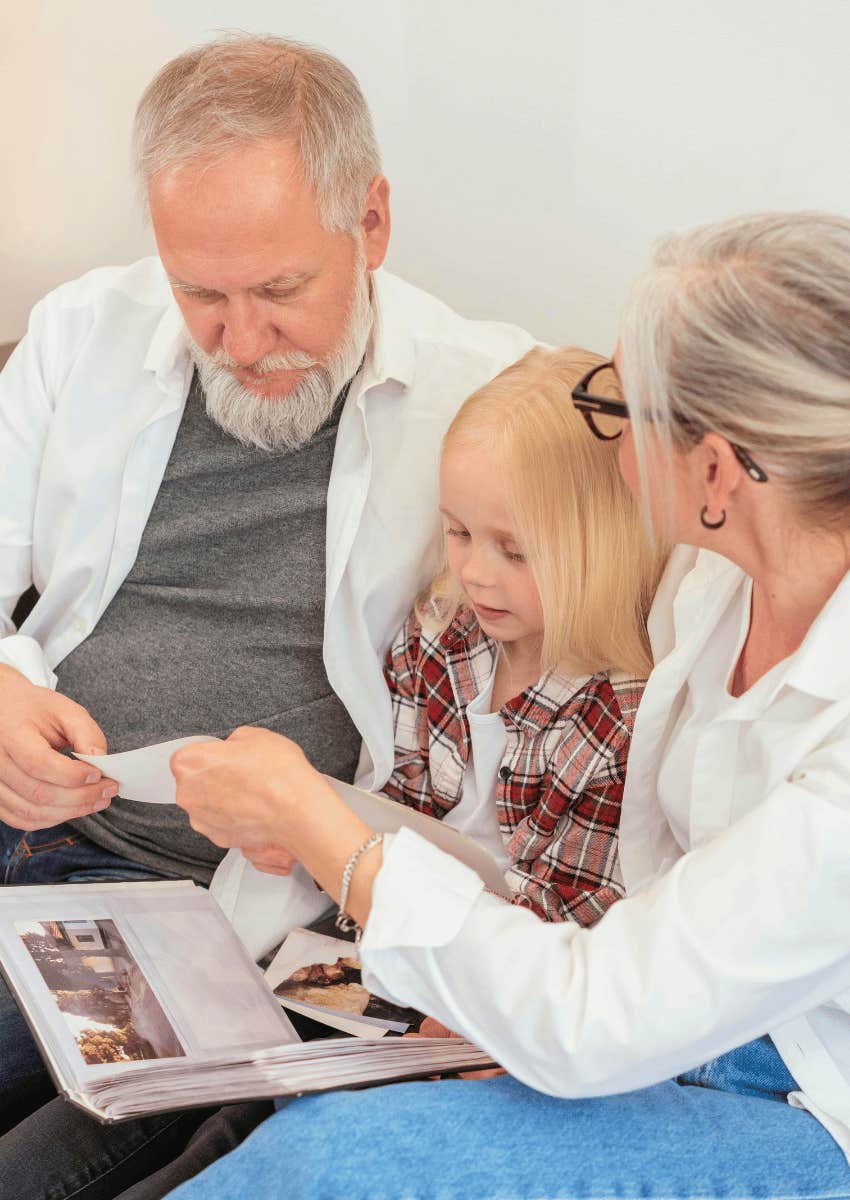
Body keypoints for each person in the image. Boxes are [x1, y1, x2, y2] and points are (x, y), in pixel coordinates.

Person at [165, 211, 850, 1199]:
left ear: (714, 469)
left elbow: (593, 1019)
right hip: (689, 1018)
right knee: (317, 1115)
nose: (608, 442)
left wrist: (323, 831)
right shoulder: (711, 586)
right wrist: (500, 1002)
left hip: (809, 1100)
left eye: (623, 410)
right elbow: (636, 940)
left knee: (333, 1163)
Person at [0, 32, 534, 1195]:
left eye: (282, 292)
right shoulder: (82, 330)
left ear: (372, 223)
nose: (242, 345)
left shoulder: (490, 404)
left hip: (188, 903)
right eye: (200, 293)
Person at [376, 346, 664, 924]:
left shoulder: (622, 718)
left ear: (601, 551)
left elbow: (572, 913)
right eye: (458, 532)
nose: (474, 572)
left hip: (520, 966)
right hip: (394, 918)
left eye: (514, 551)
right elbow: (396, 799)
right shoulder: (437, 630)